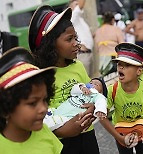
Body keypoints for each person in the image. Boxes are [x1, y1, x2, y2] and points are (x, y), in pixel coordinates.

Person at [28, 5, 99, 154]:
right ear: (50, 45)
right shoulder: (40, 76)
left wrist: (93, 105)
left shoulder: (78, 66)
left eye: (76, 37)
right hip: (62, 144)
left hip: (88, 136)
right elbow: (39, 117)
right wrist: (62, 131)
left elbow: (90, 93)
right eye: (69, 39)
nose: (76, 43)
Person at [99, 43, 143, 154]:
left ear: (139, 71)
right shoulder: (112, 90)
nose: (120, 67)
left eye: (126, 65)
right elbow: (102, 117)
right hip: (122, 134)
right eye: (119, 63)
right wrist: (118, 137)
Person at [0, 47, 62, 154]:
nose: (43, 109)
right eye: (32, 103)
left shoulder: (44, 132)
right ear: (6, 107)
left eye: (44, 100)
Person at [68, 0, 94, 77]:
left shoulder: (79, 19)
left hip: (87, 53)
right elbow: (81, 4)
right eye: (75, 4)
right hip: (82, 55)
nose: (78, 5)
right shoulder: (73, 16)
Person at [94, 11, 124, 76]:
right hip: (113, 58)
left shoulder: (98, 31)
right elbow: (122, 45)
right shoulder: (116, 29)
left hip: (101, 59)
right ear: (112, 20)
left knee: (105, 80)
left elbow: (96, 49)